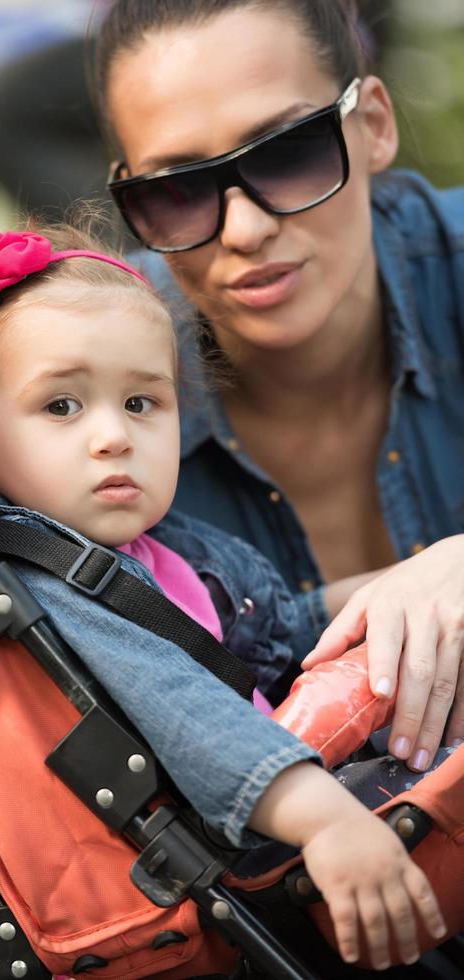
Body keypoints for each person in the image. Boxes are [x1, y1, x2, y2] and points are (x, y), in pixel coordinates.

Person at [0, 222, 448, 972]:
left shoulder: (162, 551)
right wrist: (330, 822)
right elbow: (185, 709)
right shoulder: (52, 587)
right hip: (259, 842)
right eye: (63, 408)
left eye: (142, 403)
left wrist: (397, 591)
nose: (113, 436)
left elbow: (271, 632)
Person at [93, 0, 464, 775]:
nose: (243, 230)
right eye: (176, 191)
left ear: (374, 127)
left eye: (287, 151)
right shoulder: (84, 401)